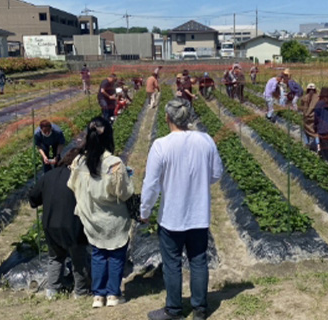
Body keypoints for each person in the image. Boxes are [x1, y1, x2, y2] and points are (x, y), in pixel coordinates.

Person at [142, 98, 223, 320]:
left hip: (172, 217)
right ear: (188, 118)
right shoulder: (205, 141)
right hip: (199, 214)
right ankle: (200, 309)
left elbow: (150, 184)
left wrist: (145, 212)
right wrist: (198, 182)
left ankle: (174, 310)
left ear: (167, 117)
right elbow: (216, 173)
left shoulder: (161, 145)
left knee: (172, 264)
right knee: (198, 261)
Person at [67, 116, 134, 308]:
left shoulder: (79, 162)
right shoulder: (114, 164)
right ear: (109, 138)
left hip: (92, 218)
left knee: (98, 254)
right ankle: (113, 294)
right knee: (116, 254)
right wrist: (128, 178)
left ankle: (98, 295)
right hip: (114, 218)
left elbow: (72, 186)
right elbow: (124, 193)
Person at [28, 148, 89, 300]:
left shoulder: (48, 176)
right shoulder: (78, 177)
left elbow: (33, 198)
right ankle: (80, 292)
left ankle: (52, 291)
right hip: (73, 224)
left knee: (55, 257)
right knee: (78, 259)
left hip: (50, 224)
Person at [300, 83, 319, 148]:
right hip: (315, 117)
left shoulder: (304, 97)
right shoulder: (318, 97)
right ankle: (318, 145)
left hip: (306, 118)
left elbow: (302, 108)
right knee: (316, 132)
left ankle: (307, 143)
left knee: (306, 131)